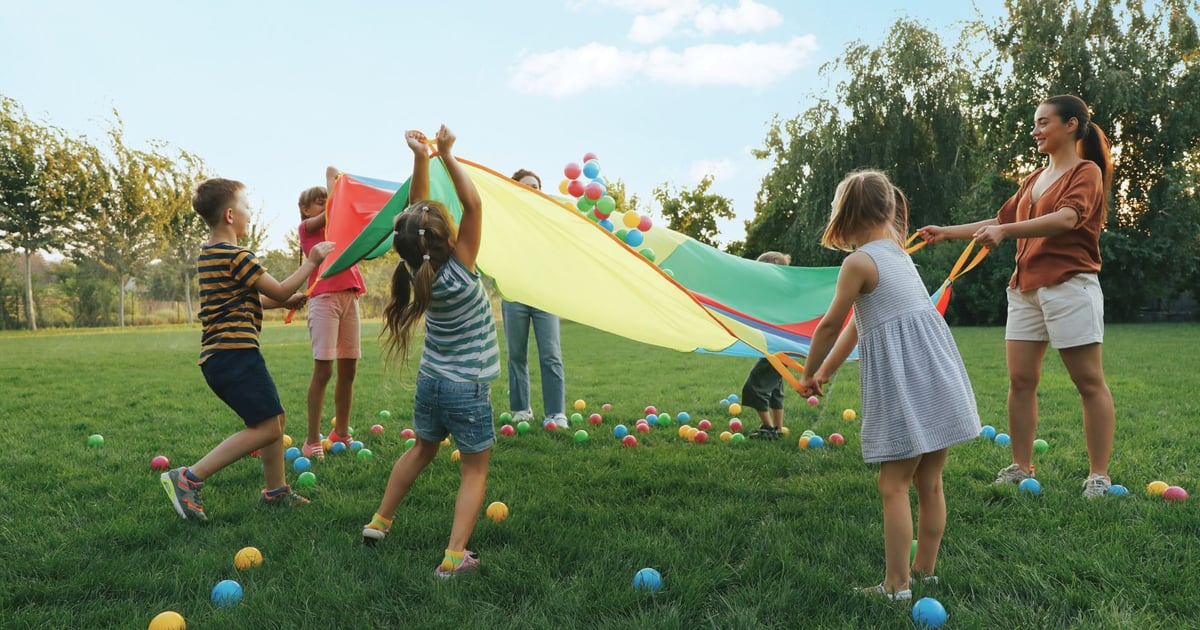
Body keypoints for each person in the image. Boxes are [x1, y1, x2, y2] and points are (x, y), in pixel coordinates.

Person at [918, 94, 1116, 498]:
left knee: (1088, 381)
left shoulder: (1086, 171)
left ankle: (1098, 475)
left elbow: (1067, 218)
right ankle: (1020, 465)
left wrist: (1006, 233)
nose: (1036, 130)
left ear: (1071, 125)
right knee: (1020, 380)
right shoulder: (1033, 179)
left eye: (1044, 122)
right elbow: (1002, 220)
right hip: (1024, 289)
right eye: (1035, 123)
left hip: (1069, 285)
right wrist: (946, 231)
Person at [800, 170, 981, 600]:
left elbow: (828, 325)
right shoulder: (898, 256)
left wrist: (808, 371)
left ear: (843, 216)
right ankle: (925, 571)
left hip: (908, 384)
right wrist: (827, 371)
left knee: (893, 485)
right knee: (930, 481)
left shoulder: (858, 262)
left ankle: (897, 586)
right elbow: (861, 324)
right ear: (887, 209)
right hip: (938, 377)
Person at [361, 125, 498, 579]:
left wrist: (422, 157)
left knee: (421, 449)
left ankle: (379, 522)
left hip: (430, 384)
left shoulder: (415, 270)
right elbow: (474, 204)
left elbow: (414, 217)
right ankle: (455, 558)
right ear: (445, 238)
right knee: (474, 471)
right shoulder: (461, 269)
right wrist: (447, 154)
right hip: (467, 389)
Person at [161, 177, 334, 521]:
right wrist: (312, 260)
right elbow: (281, 290)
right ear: (229, 215)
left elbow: (255, 298)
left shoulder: (210, 255)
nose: (250, 214)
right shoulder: (237, 255)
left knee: (275, 418)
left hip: (222, 356)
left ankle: (275, 492)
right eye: (246, 208)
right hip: (236, 353)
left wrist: (285, 299)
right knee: (268, 427)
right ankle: (189, 477)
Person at [296, 171, 366, 460]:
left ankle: (341, 432)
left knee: (349, 369)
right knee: (324, 370)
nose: (325, 204)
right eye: (318, 201)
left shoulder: (338, 227)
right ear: (305, 209)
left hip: (350, 295)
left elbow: (351, 220)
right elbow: (332, 213)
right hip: (324, 299)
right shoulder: (307, 229)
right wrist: (331, 182)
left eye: (327, 200)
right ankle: (312, 439)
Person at [501, 169, 568, 429]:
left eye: (537, 186)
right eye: (528, 186)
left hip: (544, 295)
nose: (533, 190)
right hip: (514, 294)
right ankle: (521, 409)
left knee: (551, 354)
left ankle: (556, 412)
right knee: (516, 354)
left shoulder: (547, 219)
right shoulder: (506, 221)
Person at [744, 251, 792, 440]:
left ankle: (768, 428)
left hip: (777, 349)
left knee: (754, 386)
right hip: (780, 348)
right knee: (774, 389)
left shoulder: (777, 292)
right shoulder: (782, 292)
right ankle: (778, 429)